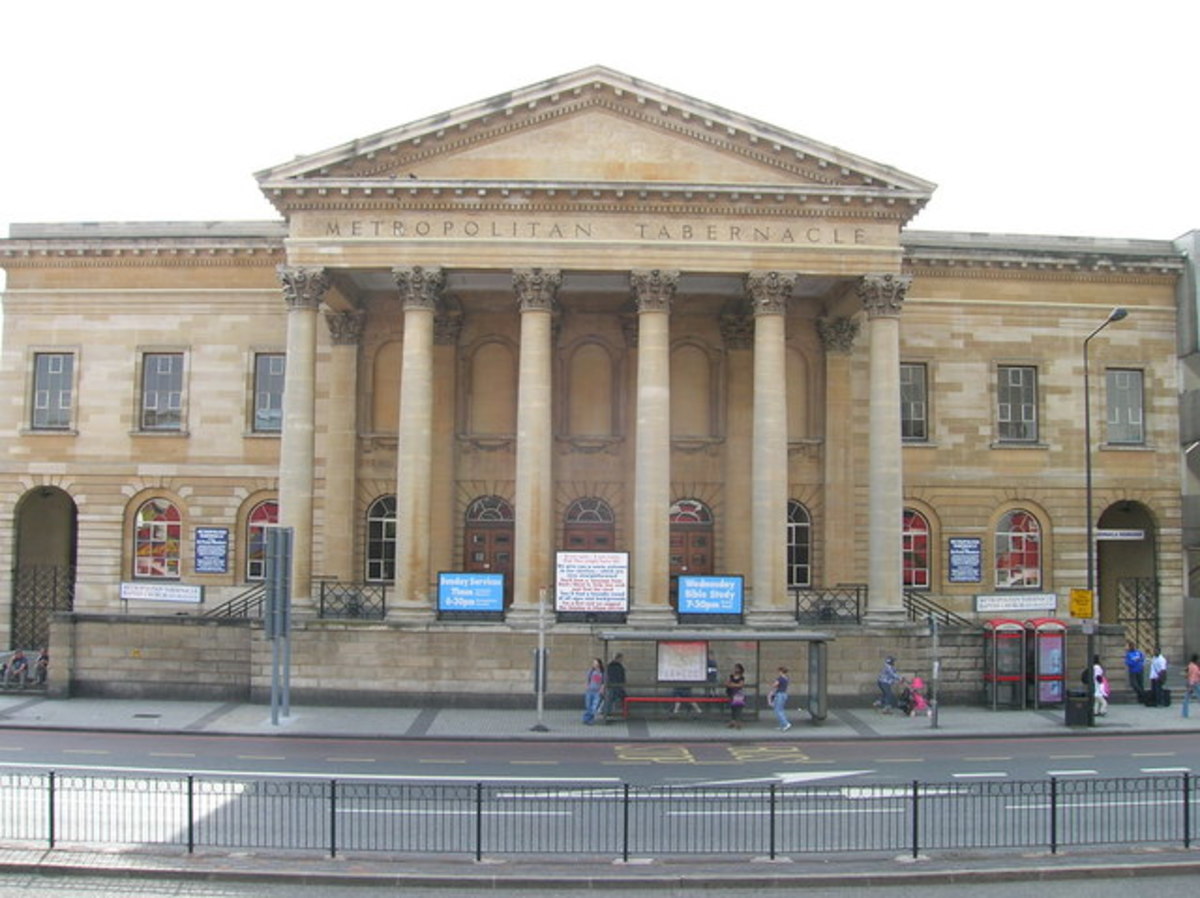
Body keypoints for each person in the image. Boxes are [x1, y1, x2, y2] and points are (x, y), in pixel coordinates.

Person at [581, 657, 605, 725]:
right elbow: (588, 680)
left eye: (596, 663)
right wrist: (587, 686)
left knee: (594, 706)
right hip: (590, 690)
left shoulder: (602, 672)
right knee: (588, 705)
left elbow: (603, 682)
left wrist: (602, 689)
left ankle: (588, 718)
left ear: (599, 664)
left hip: (597, 691)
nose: (594, 664)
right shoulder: (591, 671)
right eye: (594, 663)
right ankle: (587, 719)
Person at [603, 654, 626, 719]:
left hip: (612, 685)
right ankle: (608, 712)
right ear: (618, 658)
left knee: (610, 699)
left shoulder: (610, 666)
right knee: (611, 699)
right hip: (615, 685)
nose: (621, 660)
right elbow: (622, 676)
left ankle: (608, 712)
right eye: (621, 659)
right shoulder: (619, 666)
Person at [768, 666, 791, 732]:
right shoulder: (787, 678)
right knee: (781, 710)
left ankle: (786, 723)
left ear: (781, 671)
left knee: (777, 710)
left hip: (780, 695)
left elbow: (775, 685)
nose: (778, 672)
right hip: (784, 694)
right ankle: (782, 725)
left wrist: (772, 686)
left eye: (779, 671)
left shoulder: (780, 678)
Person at [725, 663, 747, 729]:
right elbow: (727, 683)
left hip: (738, 694)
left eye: (737, 668)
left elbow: (741, 685)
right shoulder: (731, 676)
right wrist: (731, 684)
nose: (735, 669)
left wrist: (732, 684)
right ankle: (733, 721)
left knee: (738, 707)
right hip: (731, 693)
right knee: (733, 707)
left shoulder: (741, 677)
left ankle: (738, 722)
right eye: (735, 668)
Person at [1182, 654, 1200, 719]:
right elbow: (1193, 677)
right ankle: (1184, 713)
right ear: (1196, 659)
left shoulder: (1190, 665)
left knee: (1186, 699)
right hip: (1195, 684)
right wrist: (1191, 686)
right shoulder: (1194, 667)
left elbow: (1188, 675)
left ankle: (1184, 713)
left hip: (1191, 683)